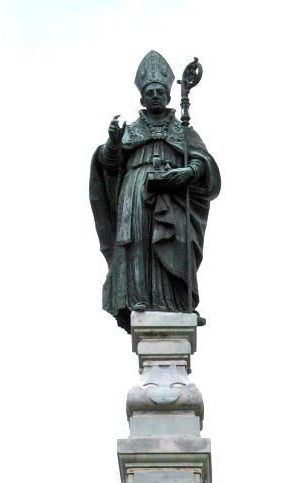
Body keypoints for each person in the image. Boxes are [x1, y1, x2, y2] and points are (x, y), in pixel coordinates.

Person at [90, 50, 221, 332]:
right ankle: (139, 297)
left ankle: (177, 301)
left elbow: (203, 161)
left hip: (173, 194)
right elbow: (109, 164)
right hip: (136, 190)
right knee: (140, 241)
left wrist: (189, 171)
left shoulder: (183, 130)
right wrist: (113, 142)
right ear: (141, 99)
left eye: (160, 91)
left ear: (169, 96)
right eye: (149, 92)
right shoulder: (131, 130)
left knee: (176, 241)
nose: (155, 96)